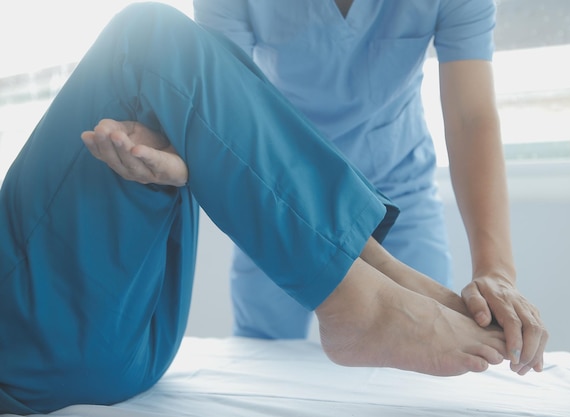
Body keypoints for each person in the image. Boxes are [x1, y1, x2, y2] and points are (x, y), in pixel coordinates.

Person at [0, 3, 544, 415]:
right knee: (145, 38)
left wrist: (496, 272)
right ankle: (356, 288)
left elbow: (472, 116)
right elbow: (213, 96)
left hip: (130, 350)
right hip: (261, 215)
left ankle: (377, 276)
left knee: (152, 62)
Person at [186, 0, 545, 362]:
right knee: (264, 358)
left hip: (401, 191)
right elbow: (224, 109)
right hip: (283, 194)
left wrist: (496, 271)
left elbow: (471, 120)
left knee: (430, 358)